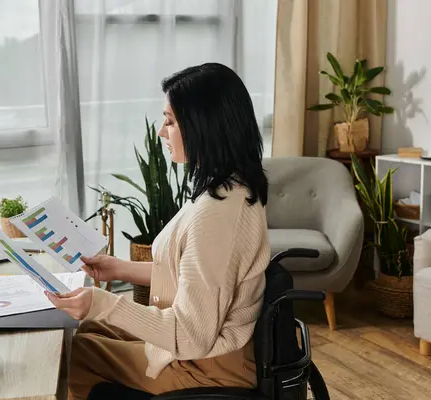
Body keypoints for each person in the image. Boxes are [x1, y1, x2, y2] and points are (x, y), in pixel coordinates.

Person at [45, 62, 271, 400]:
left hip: (208, 368)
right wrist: (119, 268)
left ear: (203, 125)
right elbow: (192, 275)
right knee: (89, 328)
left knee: (79, 352)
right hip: (200, 352)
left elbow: (193, 336)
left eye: (170, 121)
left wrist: (104, 303)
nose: (162, 132)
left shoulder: (218, 213)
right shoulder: (224, 187)